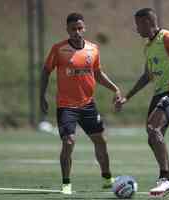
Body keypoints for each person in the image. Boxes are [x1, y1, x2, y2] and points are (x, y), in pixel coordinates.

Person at [115, 8, 169, 198]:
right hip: (159, 93)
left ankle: (166, 180)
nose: (136, 29)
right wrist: (127, 97)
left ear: (146, 22)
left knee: (154, 129)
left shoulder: (167, 37)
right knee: (152, 136)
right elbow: (147, 76)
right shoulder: (148, 46)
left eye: (138, 24)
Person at [40, 13, 121, 195]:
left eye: (80, 28)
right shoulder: (58, 49)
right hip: (66, 105)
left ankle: (107, 178)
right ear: (67, 30)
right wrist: (42, 96)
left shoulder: (93, 49)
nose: (77, 32)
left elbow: (98, 74)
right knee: (69, 142)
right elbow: (45, 71)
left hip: (88, 104)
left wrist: (115, 88)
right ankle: (66, 183)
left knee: (100, 140)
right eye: (73, 29)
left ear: (84, 28)